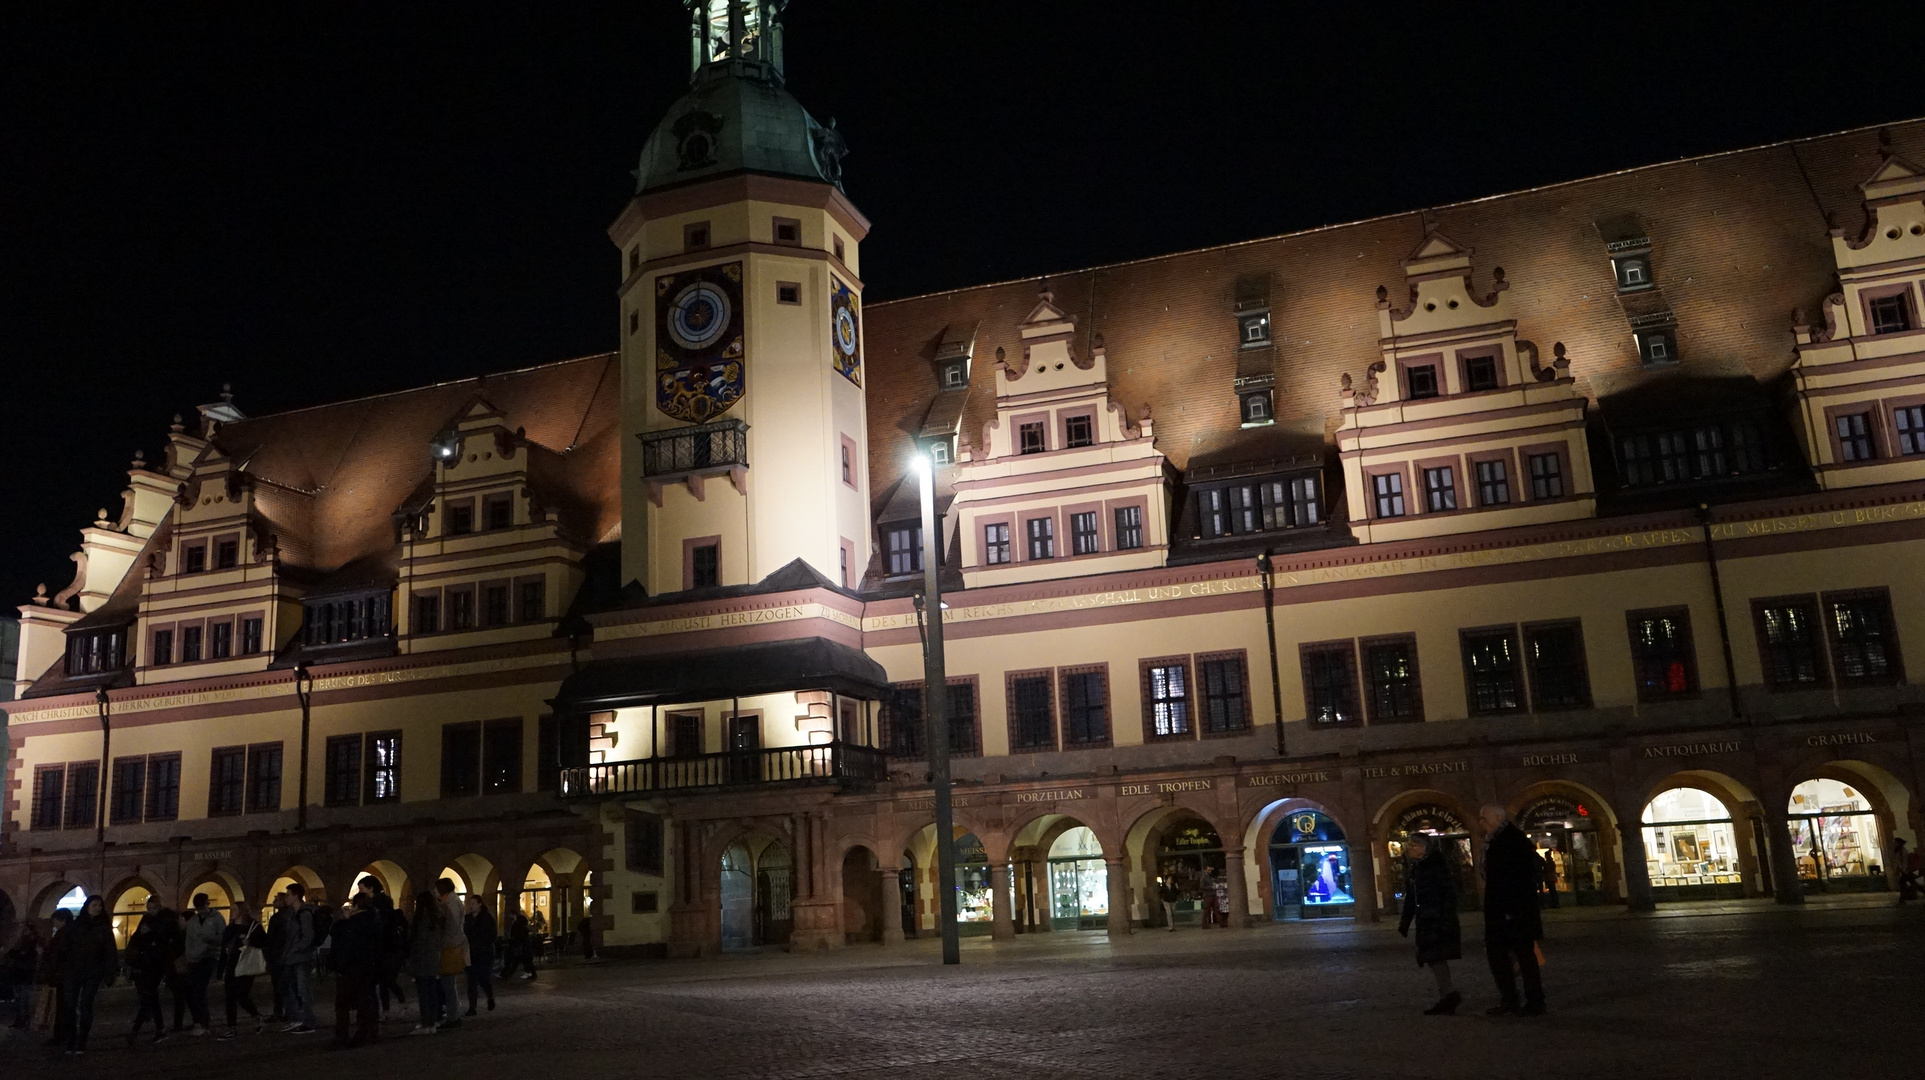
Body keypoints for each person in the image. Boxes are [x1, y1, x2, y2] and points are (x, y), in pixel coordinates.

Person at [1479, 805, 1546, 1017]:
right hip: (1504, 910)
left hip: (1513, 912)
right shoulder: (1496, 840)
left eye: (1484, 818)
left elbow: (1516, 878)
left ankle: (1531, 1001)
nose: (1481, 823)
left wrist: (1510, 909)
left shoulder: (1511, 841)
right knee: (1501, 955)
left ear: (1498, 818)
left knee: (1522, 956)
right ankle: (1513, 998)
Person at [1397, 835, 1463, 1015]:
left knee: (1435, 956)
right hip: (1427, 918)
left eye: (1413, 845)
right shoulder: (1418, 868)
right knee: (1434, 957)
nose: (1409, 848)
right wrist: (1405, 922)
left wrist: (1440, 916)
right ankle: (1447, 995)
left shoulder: (1434, 867)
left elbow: (1447, 894)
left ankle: (1448, 995)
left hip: (1436, 919)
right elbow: (1412, 897)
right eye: (1408, 844)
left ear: (1423, 848)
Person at [52, 896, 117, 1055]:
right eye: (94, 905)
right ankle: (71, 1039)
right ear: (87, 906)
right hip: (73, 970)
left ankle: (82, 1041)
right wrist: (57, 968)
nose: (97, 908)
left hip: (92, 971)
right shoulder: (75, 926)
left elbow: (110, 952)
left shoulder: (103, 928)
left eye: (100, 906)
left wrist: (110, 972)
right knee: (69, 1006)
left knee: (86, 1005)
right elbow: (62, 948)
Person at [125, 896, 182, 1044]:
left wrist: (151, 933)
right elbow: (138, 937)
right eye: (149, 908)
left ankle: (139, 1029)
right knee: (150, 997)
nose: (151, 911)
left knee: (149, 995)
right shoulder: (147, 919)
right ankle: (156, 1029)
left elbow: (169, 940)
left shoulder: (167, 921)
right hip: (145, 962)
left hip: (158, 962)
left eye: (154, 908)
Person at [329, 894, 382, 1047]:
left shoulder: (349, 925)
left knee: (342, 1005)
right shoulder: (374, 922)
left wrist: (338, 966)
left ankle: (342, 1036)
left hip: (350, 969)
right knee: (364, 1003)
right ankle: (366, 1034)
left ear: (355, 906)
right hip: (368, 968)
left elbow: (343, 945)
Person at [273, 884, 318, 1033]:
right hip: (293, 957)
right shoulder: (294, 913)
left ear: (296, 896)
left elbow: (307, 937)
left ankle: (308, 1021)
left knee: (302, 989)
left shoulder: (304, 913)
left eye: (288, 895)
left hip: (301, 957)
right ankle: (297, 1017)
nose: (286, 898)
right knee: (285, 986)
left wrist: (294, 949)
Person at [179, 892, 225, 1035]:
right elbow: (189, 941)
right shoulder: (193, 921)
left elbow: (223, 937)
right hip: (195, 958)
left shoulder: (217, 918)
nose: (201, 910)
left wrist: (210, 941)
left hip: (209, 957)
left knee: (199, 989)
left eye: (203, 906)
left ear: (208, 904)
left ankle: (203, 1023)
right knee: (193, 991)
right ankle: (199, 1021)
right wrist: (189, 956)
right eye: (199, 908)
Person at [218, 900, 266, 1037]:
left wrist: (250, 942)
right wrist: (221, 969)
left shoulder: (253, 927)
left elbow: (264, 941)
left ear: (242, 911)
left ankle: (255, 1015)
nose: (232, 911)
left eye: (234, 909)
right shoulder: (230, 928)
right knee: (230, 997)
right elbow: (224, 948)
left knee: (242, 994)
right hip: (232, 964)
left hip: (245, 963)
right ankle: (231, 1027)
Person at [405, 891, 446, 1036]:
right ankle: (433, 1021)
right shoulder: (437, 917)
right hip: (434, 958)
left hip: (422, 958)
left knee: (424, 993)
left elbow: (418, 941)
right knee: (432, 990)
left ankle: (426, 1023)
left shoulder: (422, 918)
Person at [434, 880, 467, 1030]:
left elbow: (451, 927)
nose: (434, 891)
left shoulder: (450, 904)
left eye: (436, 889)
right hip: (452, 945)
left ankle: (453, 1016)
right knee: (449, 983)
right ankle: (453, 1015)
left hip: (449, 947)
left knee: (448, 983)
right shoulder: (453, 902)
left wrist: (442, 943)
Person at [3, 920, 42, 1029]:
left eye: (24, 928)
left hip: (25, 973)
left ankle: (25, 1021)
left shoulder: (34, 941)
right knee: (19, 998)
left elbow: (28, 957)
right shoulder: (21, 941)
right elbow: (11, 953)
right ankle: (20, 1020)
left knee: (24, 999)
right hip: (18, 973)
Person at [462, 895, 496, 1015]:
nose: (471, 906)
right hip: (470, 953)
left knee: (483, 978)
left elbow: (492, 935)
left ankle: (490, 996)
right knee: (471, 981)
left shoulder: (487, 918)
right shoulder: (467, 919)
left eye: (473, 903)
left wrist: (482, 943)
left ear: (480, 904)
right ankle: (472, 1007)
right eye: (469, 903)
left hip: (484, 953)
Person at [501, 908, 537, 981]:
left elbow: (518, 933)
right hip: (522, 944)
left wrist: (513, 939)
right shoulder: (520, 922)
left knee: (518, 960)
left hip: (521, 944)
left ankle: (508, 974)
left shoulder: (518, 922)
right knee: (523, 960)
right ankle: (530, 973)